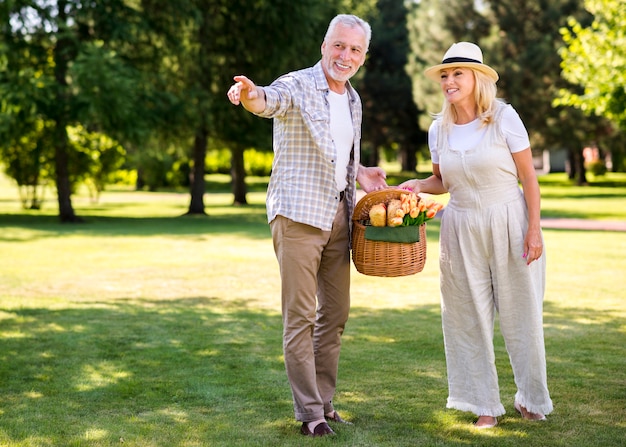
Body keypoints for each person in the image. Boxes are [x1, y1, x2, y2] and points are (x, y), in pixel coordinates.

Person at [227, 14, 387, 437]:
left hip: (339, 215)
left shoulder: (353, 100)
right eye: (339, 45)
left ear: (363, 57)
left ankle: (326, 401)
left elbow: (337, 152)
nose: (345, 56)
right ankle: (310, 413)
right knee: (300, 315)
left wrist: (361, 173)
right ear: (324, 45)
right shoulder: (297, 84)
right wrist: (250, 94)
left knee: (334, 314)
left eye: (354, 50)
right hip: (297, 214)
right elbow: (269, 100)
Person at [400, 42, 553, 428]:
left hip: (510, 220)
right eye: (445, 75)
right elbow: (441, 180)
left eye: (458, 74)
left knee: (523, 315)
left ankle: (531, 398)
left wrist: (534, 229)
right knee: (466, 317)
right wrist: (417, 184)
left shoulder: (504, 118)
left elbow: (529, 177)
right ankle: (484, 404)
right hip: (460, 226)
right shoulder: (439, 128)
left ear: (478, 78)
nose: (449, 81)